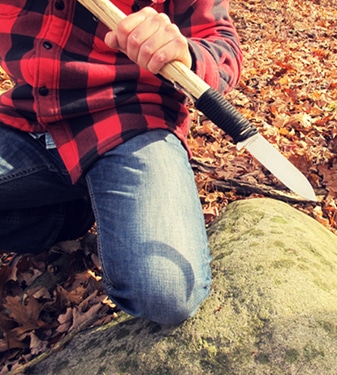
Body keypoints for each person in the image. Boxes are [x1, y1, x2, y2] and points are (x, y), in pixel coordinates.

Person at [0, 0, 243, 325]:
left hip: (129, 118)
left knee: (166, 289)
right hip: (29, 115)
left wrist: (183, 50)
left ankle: (103, 200)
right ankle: (65, 215)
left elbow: (222, 45)